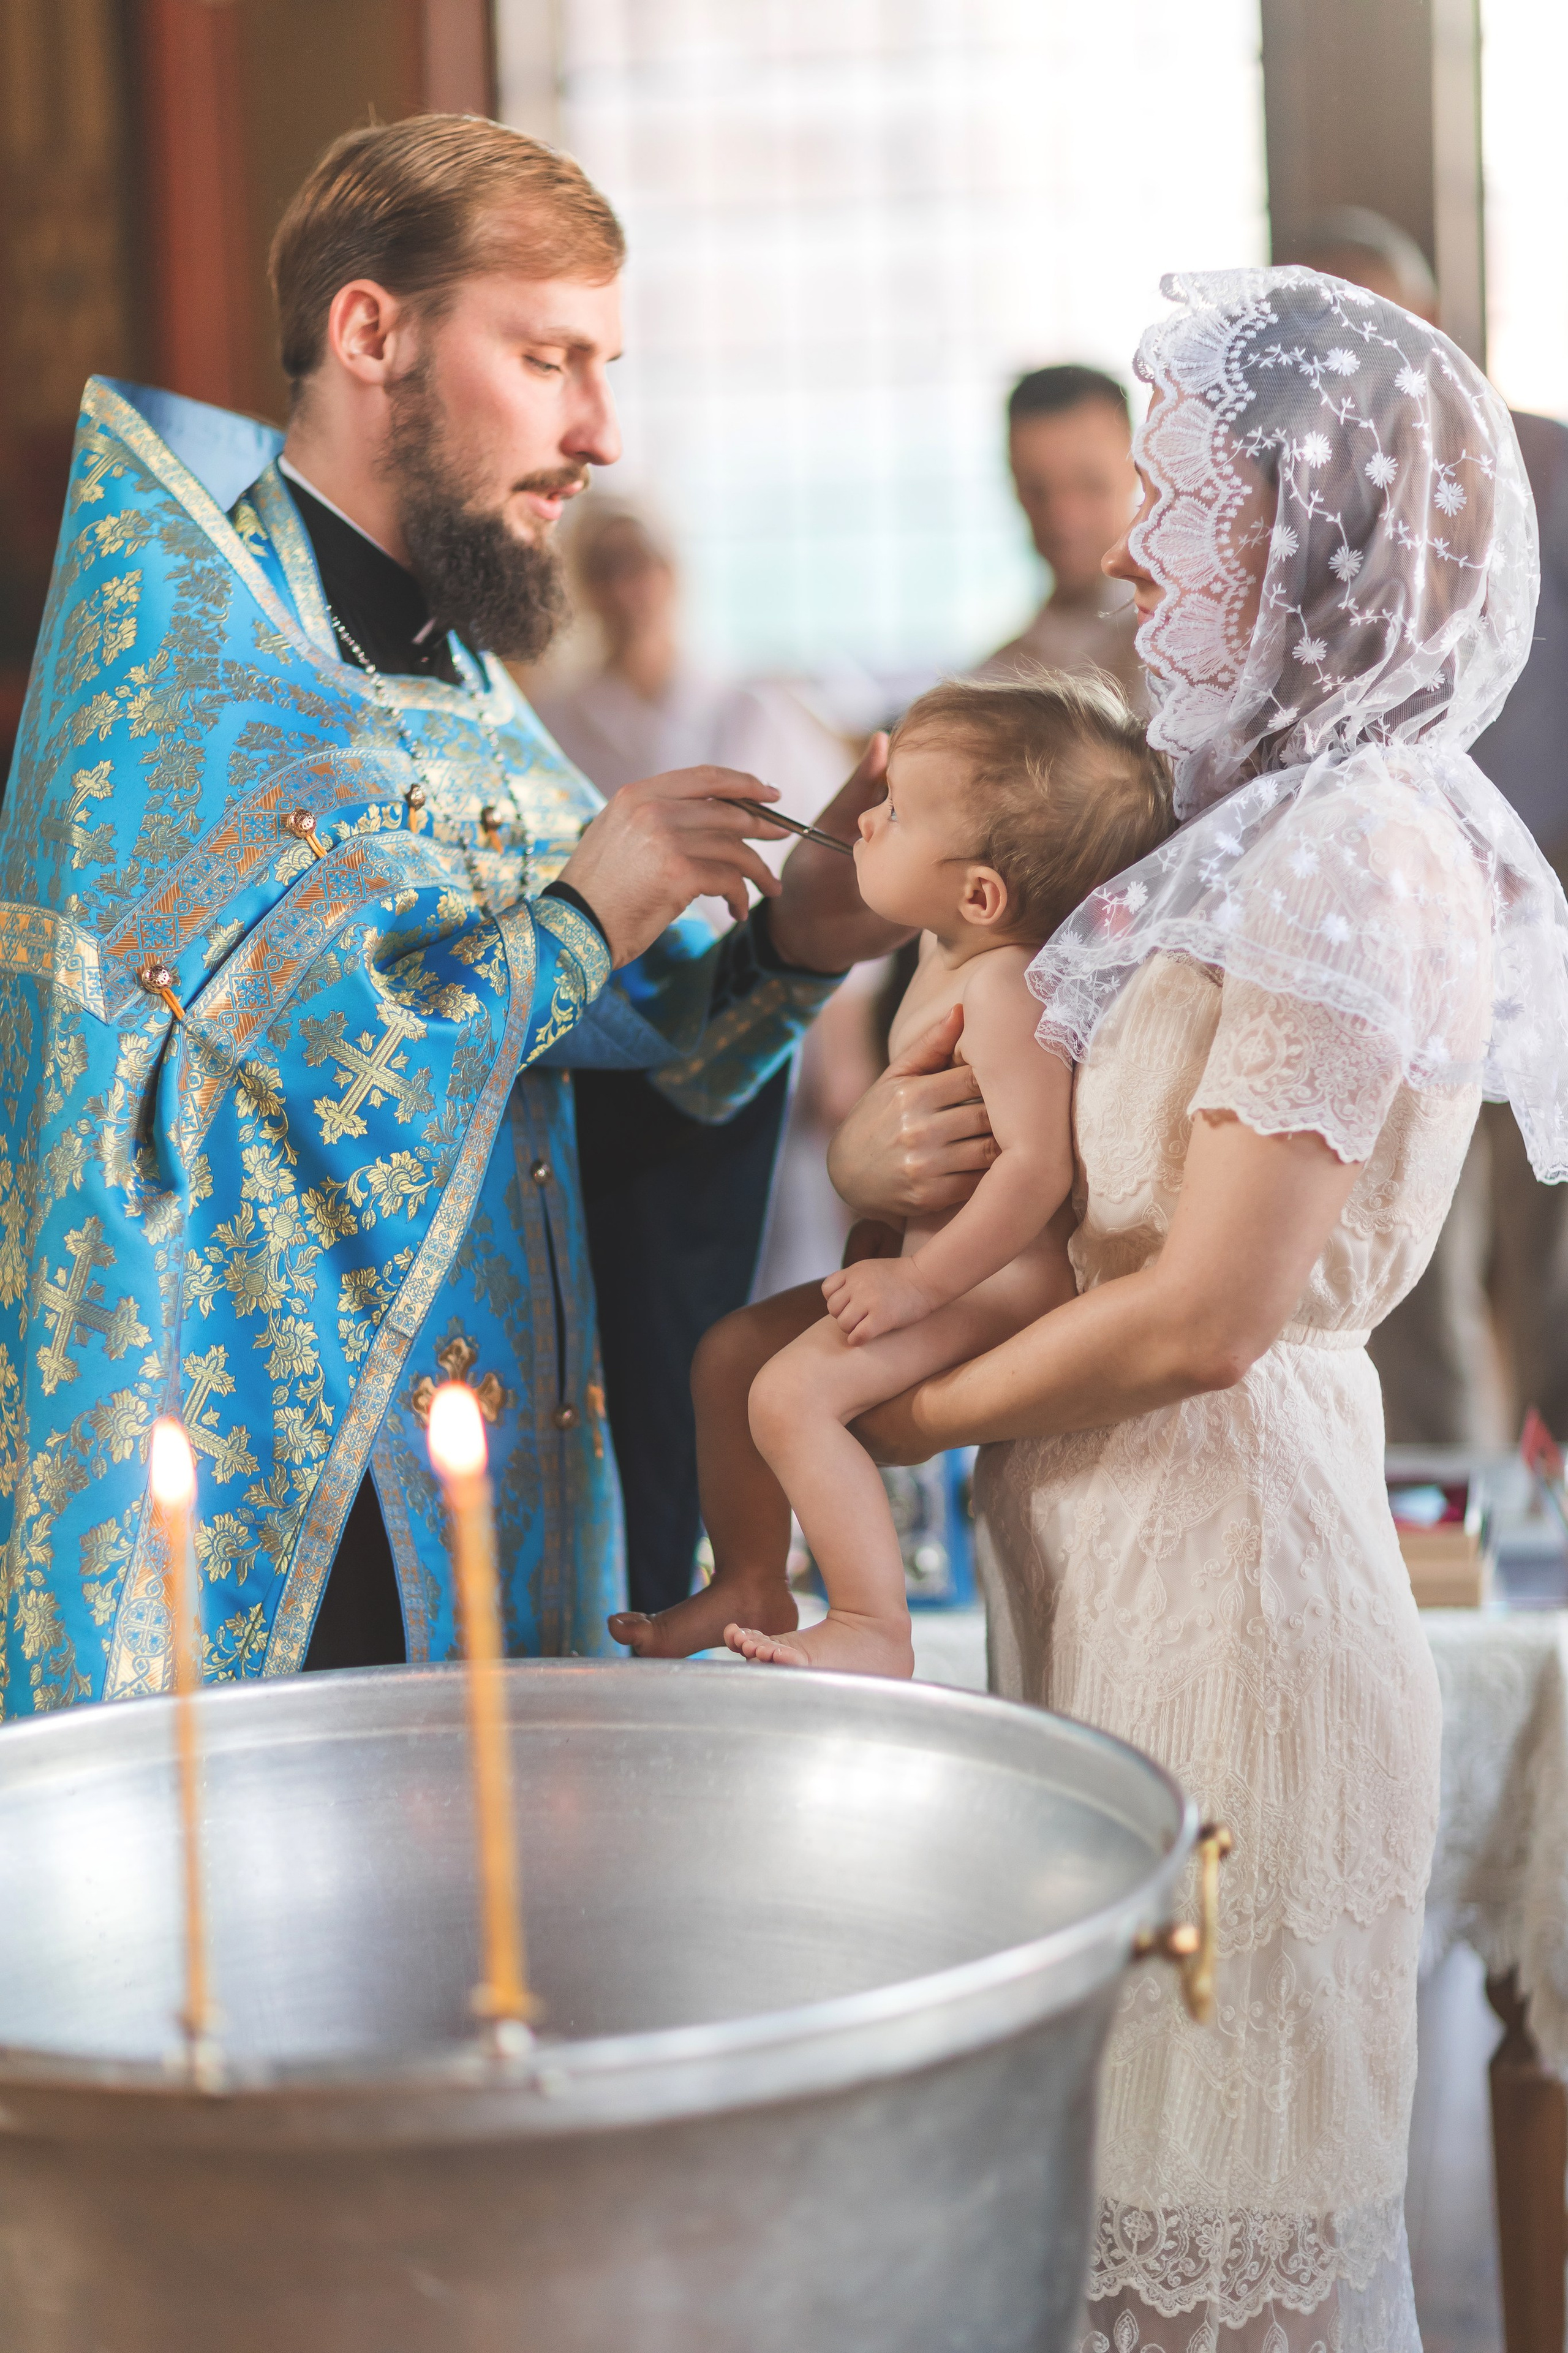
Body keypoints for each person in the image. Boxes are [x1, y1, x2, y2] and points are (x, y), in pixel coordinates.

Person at [831, 271, 1568, 2353]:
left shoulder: (1357, 848)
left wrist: (909, 1408)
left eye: (1185, 495)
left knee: (1213, 2239)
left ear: (1313, 534)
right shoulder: (1246, 824)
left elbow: (1212, 1313)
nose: (1141, 544)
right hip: (1122, 1565)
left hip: (1240, 1570)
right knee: (1113, 2219)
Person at [0, 115, 911, 1716]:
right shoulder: (191, 665)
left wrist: (789, 944)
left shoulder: (451, 675)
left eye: (606, 365)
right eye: (552, 357)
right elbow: (273, 1081)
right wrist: (579, 915)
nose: (603, 429)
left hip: (494, 1473)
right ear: (374, 334)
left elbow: (613, 1057)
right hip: (286, 1519)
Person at [609, 678, 1170, 1671]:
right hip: (935, 1260)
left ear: (981, 893)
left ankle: (875, 1622)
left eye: (898, 813)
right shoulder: (947, 948)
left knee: (790, 1395)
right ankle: (752, 1579)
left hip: (996, 1279)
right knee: (730, 1355)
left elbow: (1035, 1172)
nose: (864, 820)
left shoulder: (1005, 988)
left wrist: (915, 1280)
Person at [1289, 207, 1568, 1440]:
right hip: (1386, 907)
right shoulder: (1293, 498)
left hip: (1552, 876)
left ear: (1434, 324)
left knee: (1553, 1231)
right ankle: (1430, 1510)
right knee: (1395, 1223)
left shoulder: (1548, 466)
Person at [977, 363, 1147, 712]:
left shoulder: (1186, 656)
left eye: (1091, 485)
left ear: (1140, 474)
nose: (1063, 517)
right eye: (1038, 490)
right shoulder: (993, 680)